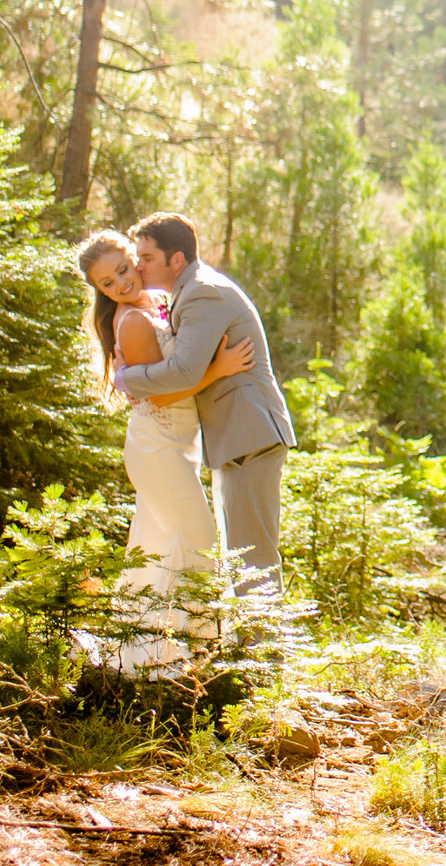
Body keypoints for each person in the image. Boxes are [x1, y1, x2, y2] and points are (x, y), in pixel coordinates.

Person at [76, 228, 252, 667]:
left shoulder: (153, 305)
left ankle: (145, 650)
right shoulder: (134, 321)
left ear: (136, 260)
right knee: (200, 542)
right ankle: (198, 652)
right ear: (99, 290)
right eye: (108, 283)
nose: (121, 283)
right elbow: (165, 391)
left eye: (123, 269)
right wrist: (219, 368)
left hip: (175, 445)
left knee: (158, 544)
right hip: (158, 448)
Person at [110, 212, 297, 596]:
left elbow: (183, 372)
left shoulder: (201, 293)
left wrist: (126, 379)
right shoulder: (188, 291)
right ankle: (249, 649)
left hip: (249, 435)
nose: (138, 266)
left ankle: (267, 653)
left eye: (146, 258)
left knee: (253, 560)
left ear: (175, 259)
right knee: (241, 557)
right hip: (236, 439)